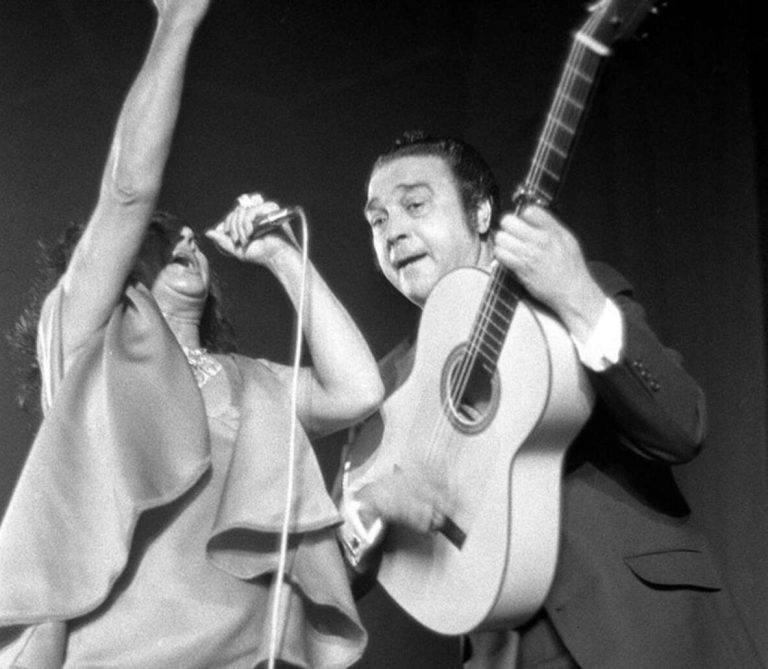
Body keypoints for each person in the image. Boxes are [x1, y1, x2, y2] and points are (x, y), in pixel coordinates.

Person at [0, 1, 383, 666]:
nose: (184, 237)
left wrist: (282, 258)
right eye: (160, 232)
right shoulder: (88, 341)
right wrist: (176, 22)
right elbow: (127, 192)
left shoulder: (254, 382)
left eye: (189, 234)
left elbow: (356, 389)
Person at [336, 131, 763, 667]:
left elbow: (683, 427)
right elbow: (331, 581)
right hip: (511, 653)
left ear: (484, 212)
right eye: (377, 220)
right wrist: (370, 505)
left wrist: (579, 298)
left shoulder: (572, 295)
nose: (393, 230)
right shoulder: (384, 385)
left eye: (414, 204)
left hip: (651, 631)